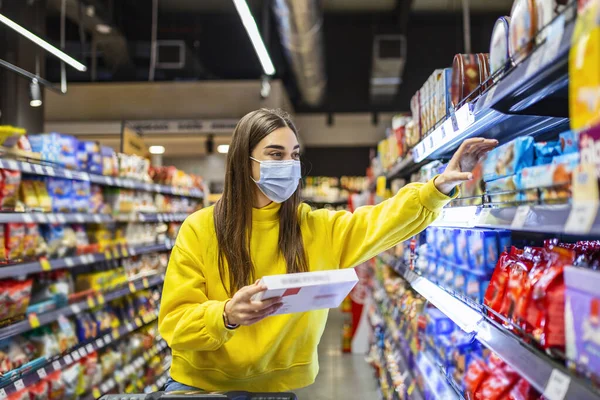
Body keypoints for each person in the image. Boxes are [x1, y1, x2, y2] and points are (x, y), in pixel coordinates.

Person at [158, 108, 497, 393]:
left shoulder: (315, 227)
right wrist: (226, 315)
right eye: (275, 154)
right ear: (242, 162)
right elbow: (174, 324)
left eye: (293, 155)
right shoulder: (200, 229)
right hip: (200, 387)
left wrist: (439, 187)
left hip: (279, 388)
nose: (289, 165)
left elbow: (380, 222)